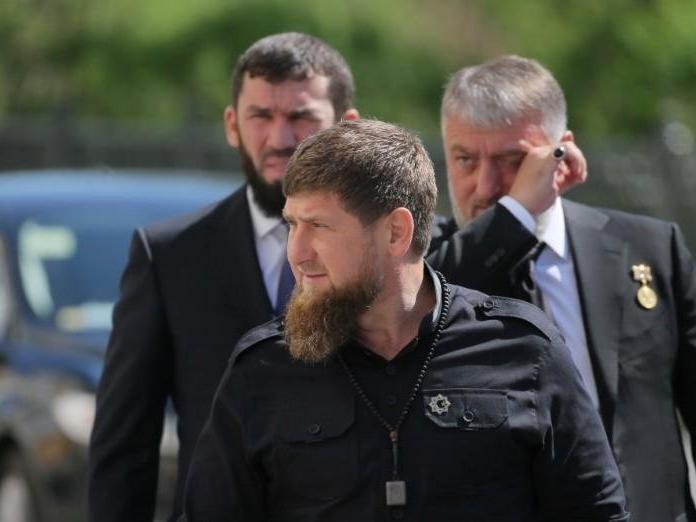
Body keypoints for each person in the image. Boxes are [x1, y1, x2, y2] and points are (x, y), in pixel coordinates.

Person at [180, 119, 628, 521]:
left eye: (319, 226)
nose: (296, 252)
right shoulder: (263, 368)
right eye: (292, 225)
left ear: (396, 232)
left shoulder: (524, 349)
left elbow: (597, 513)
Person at [87, 32, 359, 521]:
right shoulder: (169, 257)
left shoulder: (390, 251)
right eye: (261, 116)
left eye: (301, 117)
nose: (280, 139)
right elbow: (125, 445)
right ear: (232, 125)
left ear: (346, 126)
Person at [429, 54, 696, 522]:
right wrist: (516, 214)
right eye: (465, 159)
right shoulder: (431, 264)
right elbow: (437, 299)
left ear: (562, 152)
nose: (485, 186)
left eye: (512, 161)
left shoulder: (648, 249)